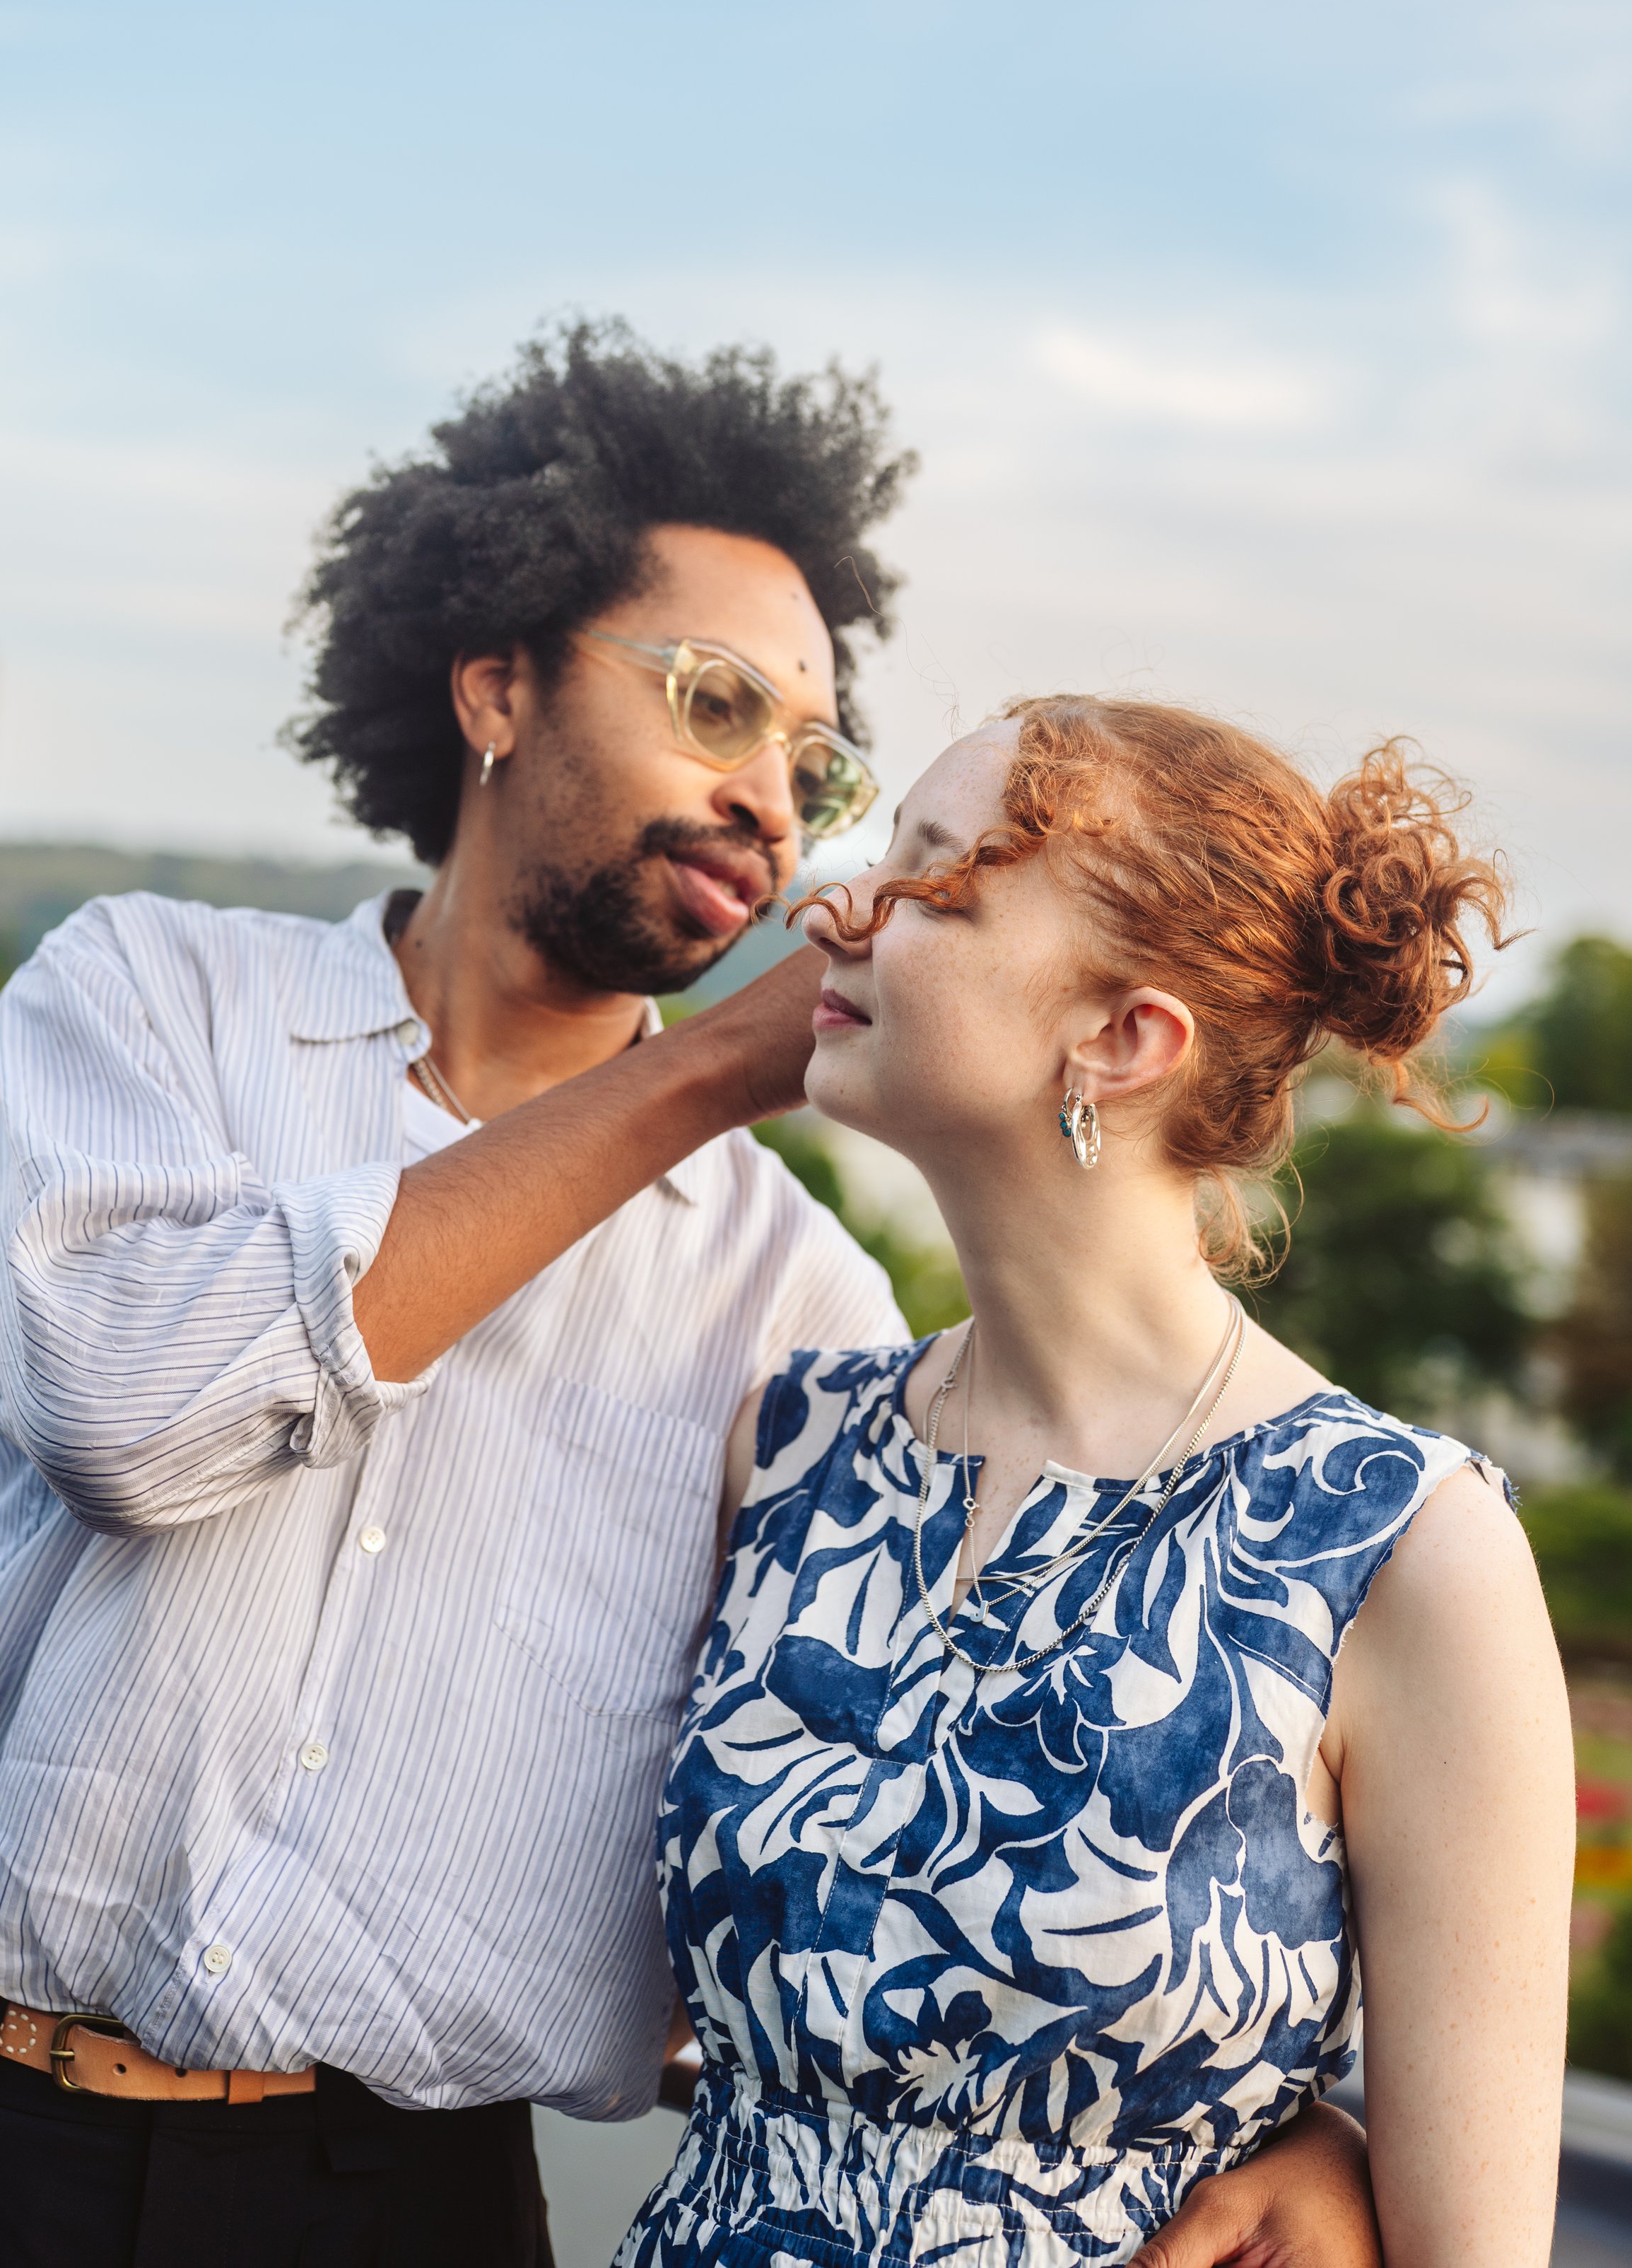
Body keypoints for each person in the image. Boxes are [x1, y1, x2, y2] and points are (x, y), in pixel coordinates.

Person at [0, 326, 1374, 2268]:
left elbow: (923, 1833)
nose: (774, 797)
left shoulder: (805, 1309)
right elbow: (128, 1423)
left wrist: (1309, 2125)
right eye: (714, 700)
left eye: (808, 757)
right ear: (494, 684)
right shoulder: (153, 993)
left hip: (389, 2205)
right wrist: (690, 1073)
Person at [622, 697, 1574, 2268]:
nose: (829, 908)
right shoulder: (783, 1448)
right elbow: (653, 2017)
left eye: (935, 879)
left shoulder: (1398, 1550)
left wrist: (1312, 2154)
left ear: (1121, 1038)